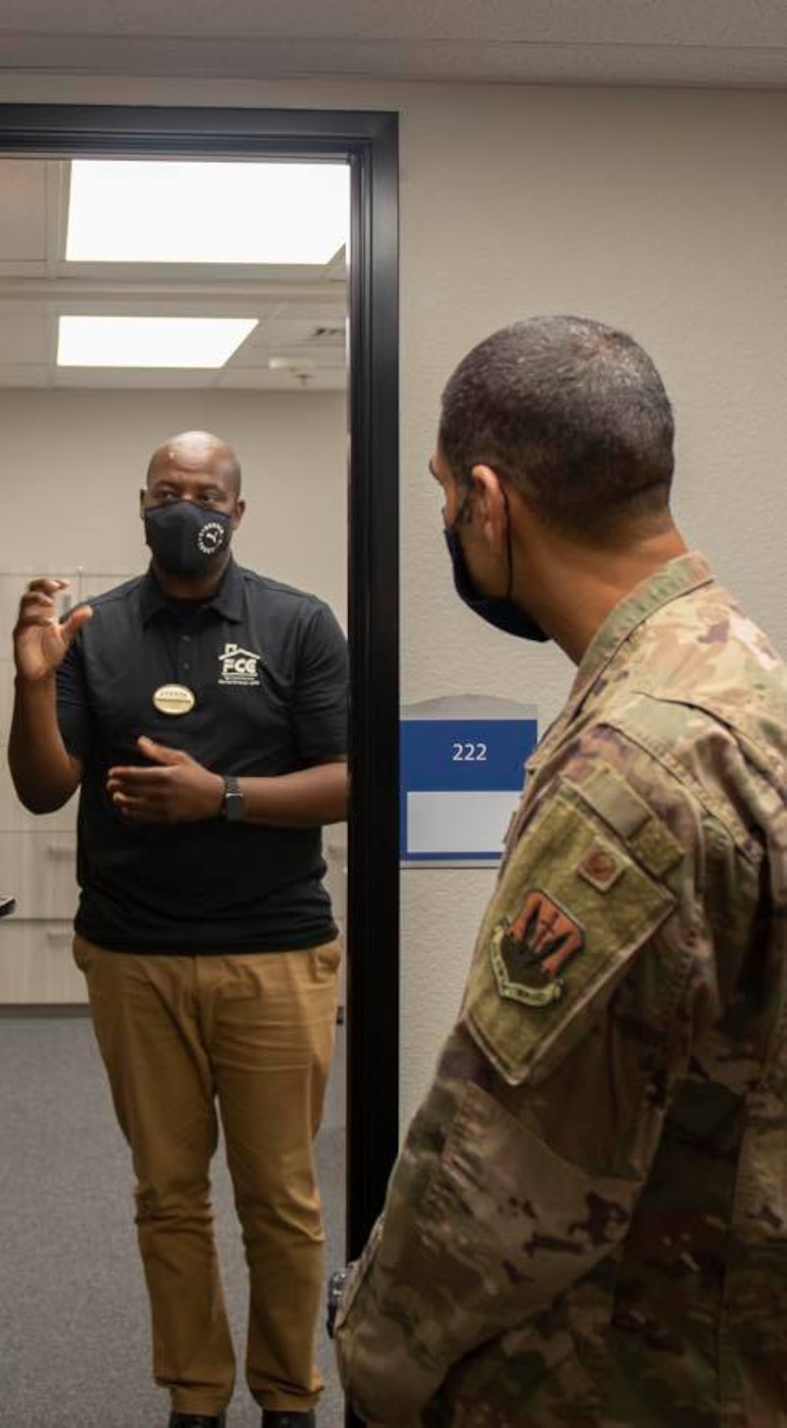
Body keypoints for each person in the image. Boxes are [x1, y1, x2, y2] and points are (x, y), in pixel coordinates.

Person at [333, 316, 787, 1424]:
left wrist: (375, 1350)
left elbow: (510, 1165)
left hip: (637, 1361)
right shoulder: (732, 662)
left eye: (444, 495)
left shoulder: (633, 765)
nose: (448, 519)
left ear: (486, 504)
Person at [9, 431, 350, 1428]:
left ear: (235, 514)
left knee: (279, 1198)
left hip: (274, 952)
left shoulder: (297, 625)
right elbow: (40, 788)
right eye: (165, 491)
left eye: (202, 493)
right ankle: (194, 1399)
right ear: (141, 504)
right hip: (132, 953)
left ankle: (287, 1399)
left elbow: (350, 783)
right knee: (166, 1193)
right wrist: (33, 680)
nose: (182, 506)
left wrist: (221, 798)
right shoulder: (94, 630)